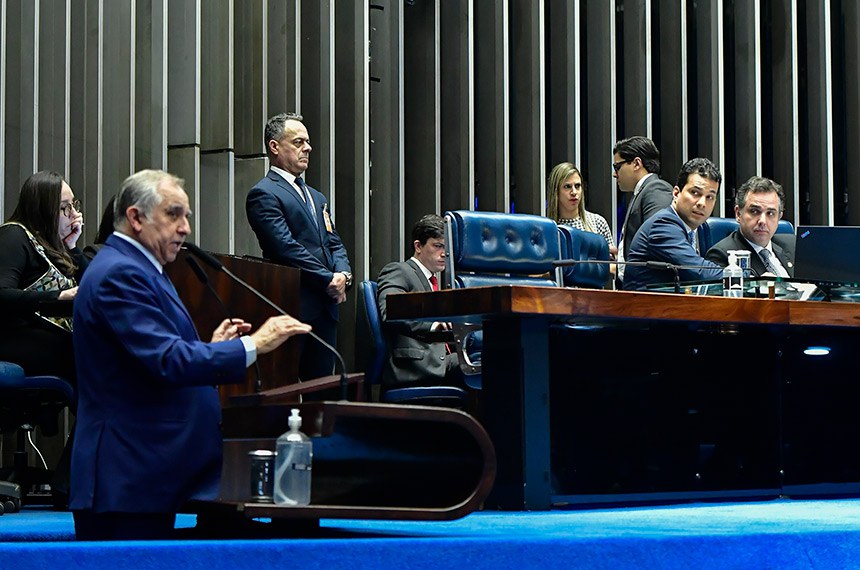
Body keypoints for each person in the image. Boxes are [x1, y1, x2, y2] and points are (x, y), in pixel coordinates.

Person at [70, 169, 311, 541]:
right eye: (173, 214)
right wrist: (254, 345)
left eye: (187, 217)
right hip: (127, 478)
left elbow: (149, 359)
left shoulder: (143, 269)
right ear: (135, 217)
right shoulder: (120, 273)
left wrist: (213, 349)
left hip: (146, 476)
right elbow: (167, 360)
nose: (185, 228)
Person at [246, 113, 352, 381]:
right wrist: (327, 279)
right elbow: (285, 248)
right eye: (298, 142)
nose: (308, 148)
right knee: (286, 389)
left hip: (326, 307)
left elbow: (334, 243)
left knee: (322, 388)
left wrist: (343, 275)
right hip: (293, 304)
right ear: (274, 146)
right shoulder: (264, 193)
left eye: (308, 142)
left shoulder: (317, 197)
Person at [0, 171, 86, 380]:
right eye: (65, 208)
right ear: (42, 209)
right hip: (14, 335)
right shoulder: (14, 235)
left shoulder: (53, 245)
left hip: (45, 335)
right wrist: (57, 296)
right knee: (86, 354)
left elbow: (91, 284)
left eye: (74, 205)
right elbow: (2, 293)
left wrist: (72, 246)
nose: (74, 214)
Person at [376, 215, 464, 390]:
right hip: (417, 365)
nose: (444, 253)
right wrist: (433, 326)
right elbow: (391, 311)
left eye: (447, 248)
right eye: (438, 246)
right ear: (418, 246)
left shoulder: (438, 282)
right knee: (488, 364)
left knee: (489, 358)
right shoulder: (399, 271)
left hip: (443, 360)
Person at [622, 158, 724, 291]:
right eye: (695, 193)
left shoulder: (701, 228)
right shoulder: (662, 225)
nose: (702, 203)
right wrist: (740, 275)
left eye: (709, 197)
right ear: (676, 193)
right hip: (645, 303)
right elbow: (698, 270)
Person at [705, 176, 795, 277]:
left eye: (770, 213)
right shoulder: (721, 255)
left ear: (779, 217)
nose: (762, 221)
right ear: (738, 214)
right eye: (754, 211)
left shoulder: (792, 245)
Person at [613, 136, 674, 283]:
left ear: (636, 163)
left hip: (648, 288)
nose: (615, 174)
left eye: (617, 167)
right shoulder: (642, 191)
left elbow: (657, 240)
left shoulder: (656, 189)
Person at [546, 162, 617, 256]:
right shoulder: (547, 228)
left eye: (577, 186)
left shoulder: (597, 222)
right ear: (556, 192)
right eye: (567, 187)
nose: (574, 192)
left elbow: (613, 261)